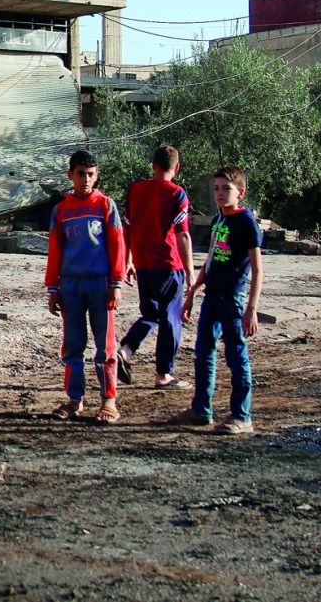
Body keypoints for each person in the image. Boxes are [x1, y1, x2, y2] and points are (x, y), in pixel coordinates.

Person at [169, 165, 263, 435]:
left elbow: (257, 268)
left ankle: (242, 416)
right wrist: (193, 293)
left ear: (240, 192)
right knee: (204, 354)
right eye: (217, 188)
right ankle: (201, 410)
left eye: (226, 188)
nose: (220, 194)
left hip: (233, 299)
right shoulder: (218, 220)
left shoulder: (246, 223)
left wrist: (251, 309)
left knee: (236, 356)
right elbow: (210, 259)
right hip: (211, 297)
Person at [45, 149, 126, 424]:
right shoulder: (61, 209)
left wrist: (117, 282)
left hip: (101, 284)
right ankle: (74, 400)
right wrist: (53, 288)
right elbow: (55, 249)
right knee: (72, 345)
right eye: (81, 174)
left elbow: (117, 245)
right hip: (70, 286)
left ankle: (109, 400)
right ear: (71, 175)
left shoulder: (106, 205)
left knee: (105, 346)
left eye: (91, 174)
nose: (86, 179)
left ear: (97, 175)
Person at [117, 145, 195, 389]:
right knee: (171, 317)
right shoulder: (177, 194)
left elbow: (126, 225)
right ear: (177, 168)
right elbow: (182, 235)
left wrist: (127, 259)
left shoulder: (135, 190)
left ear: (153, 165)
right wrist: (190, 270)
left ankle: (126, 349)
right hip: (168, 264)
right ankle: (164, 374)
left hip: (142, 263)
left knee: (150, 314)